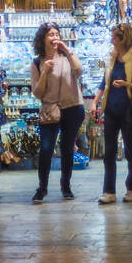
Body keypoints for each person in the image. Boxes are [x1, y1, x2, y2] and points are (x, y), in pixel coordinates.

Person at [30, 22, 85, 203]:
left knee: (67, 148)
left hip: (72, 108)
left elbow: (79, 71)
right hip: (49, 110)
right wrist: (45, 72)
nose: (54, 37)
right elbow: (37, 93)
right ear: (43, 39)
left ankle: (66, 186)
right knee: (46, 149)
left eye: (56, 34)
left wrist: (67, 51)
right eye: (50, 35)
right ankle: (42, 187)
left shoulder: (68, 56)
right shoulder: (37, 63)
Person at [92, 23, 132, 205]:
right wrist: (95, 102)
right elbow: (104, 83)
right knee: (109, 152)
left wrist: (126, 84)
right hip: (111, 109)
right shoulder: (112, 59)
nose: (112, 40)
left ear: (124, 40)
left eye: (115, 37)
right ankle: (109, 190)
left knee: (130, 149)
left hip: (129, 110)